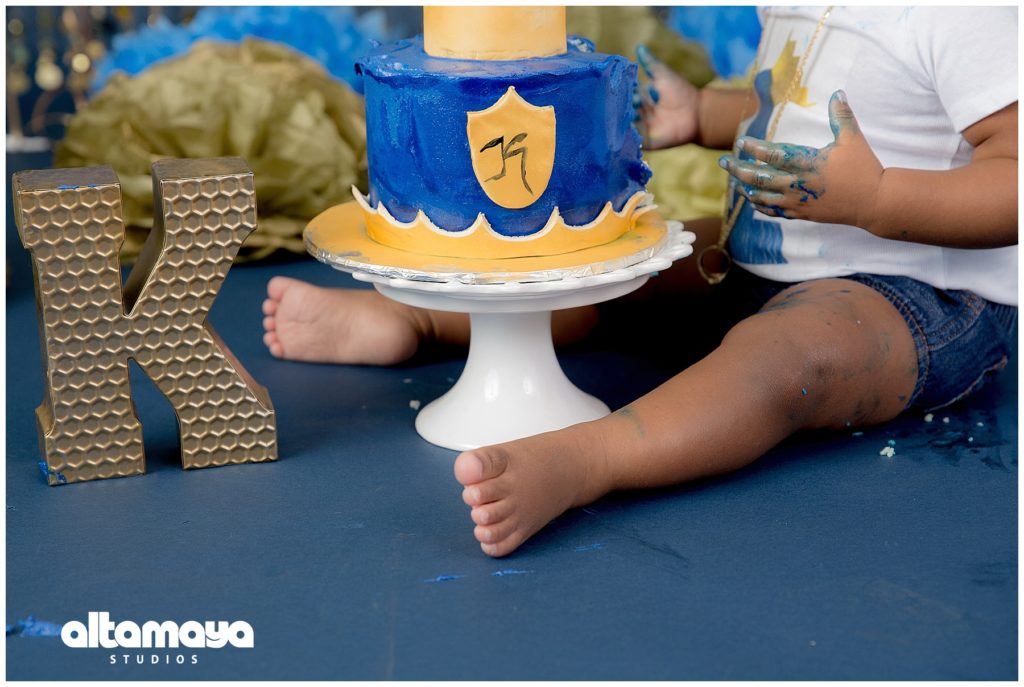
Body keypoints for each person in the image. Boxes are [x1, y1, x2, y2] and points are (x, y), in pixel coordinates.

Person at [263, 6, 1017, 557]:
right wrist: (702, 113)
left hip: (911, 294)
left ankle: (591, 457)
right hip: (762, 254)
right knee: (622, 267)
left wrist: (878, 198)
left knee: (782, 357)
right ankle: (423, 319)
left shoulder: (966, 15)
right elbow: (783, 106)